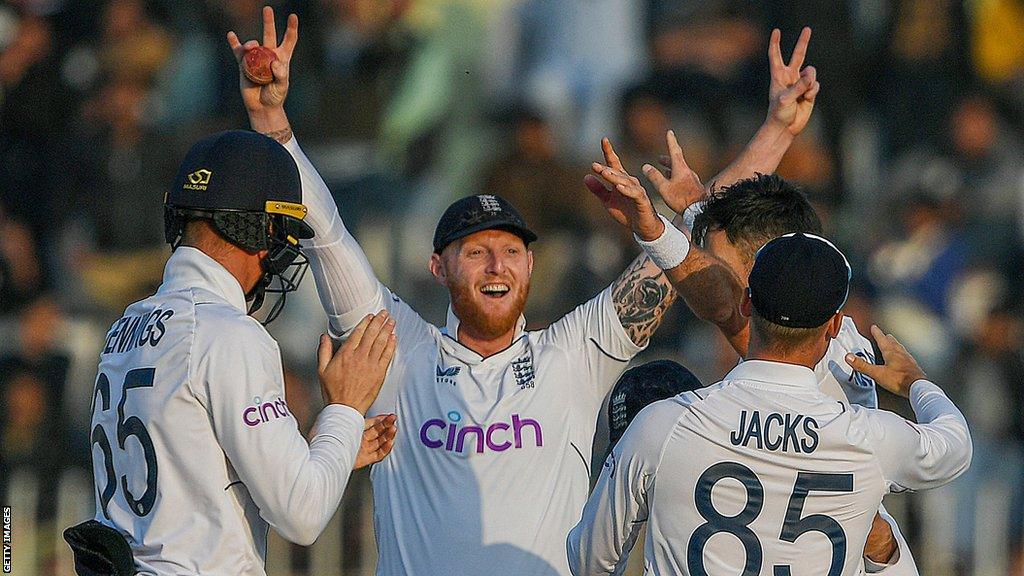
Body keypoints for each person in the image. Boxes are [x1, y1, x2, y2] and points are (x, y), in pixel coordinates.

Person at [226, 9, 819, 574]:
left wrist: (775, 131)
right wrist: (273, 125)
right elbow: (326, 236)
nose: (495, 265)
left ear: (531, 266)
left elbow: (685, 245)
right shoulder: (398, 351)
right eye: (475, 250)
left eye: (510, 251)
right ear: (438, 266)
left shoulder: (573, 355)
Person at [63, 130, 398, 576]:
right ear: (255, 228)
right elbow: (302, 514)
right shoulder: (229, 333)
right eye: (279, 232)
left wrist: (323, 452)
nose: (279, 252)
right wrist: (346, 407)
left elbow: (194, 467)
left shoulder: (126, 324)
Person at [568, 233, 972, 575]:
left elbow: (589, 560)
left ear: (747, 304)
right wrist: (914, 382)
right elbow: (955, 445)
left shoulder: (665, 424)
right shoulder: (866, 438)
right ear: (833, 326)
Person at [586, 154, 917, 571]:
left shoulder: (819, 360)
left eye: (719, 267)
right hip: (858, 545)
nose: (708, 276)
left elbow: (724, 302)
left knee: (650, 398)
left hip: (847, 547)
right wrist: (696, 210)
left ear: (774, 269)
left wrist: (655, 230)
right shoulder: (825, 335)